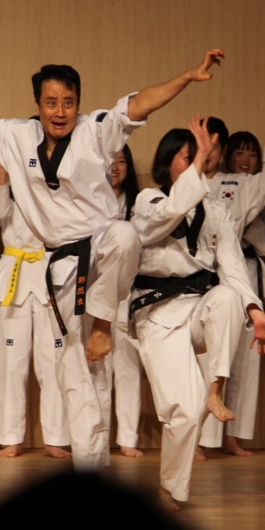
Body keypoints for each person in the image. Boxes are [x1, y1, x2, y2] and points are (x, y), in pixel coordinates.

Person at [0, 49, 224, 472]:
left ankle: (102, 324)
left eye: (68, 102)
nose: (60, 111)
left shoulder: (96, 129)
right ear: (37, 103)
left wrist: (187, 76)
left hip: (103, 250)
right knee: (77, 372)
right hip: (61, 267)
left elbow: (141, 104)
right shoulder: (16, 135)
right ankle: (90, 467)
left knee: (125, 234)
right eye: (51, 102)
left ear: (79, 103)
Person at [130, 119, 265, 509]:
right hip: (157, 314)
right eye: (188, 157)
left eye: (201, 156)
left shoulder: (217, 211)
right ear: (167, 163)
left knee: (228, 294)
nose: (199, 162)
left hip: (198, 307)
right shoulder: (148, 201)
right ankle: (170, 488)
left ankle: (216, 388)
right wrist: (199, 165)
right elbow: (173, 209)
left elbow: (233, 266)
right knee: (184, 410)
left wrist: (256, 312)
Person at [198, 116, 265, 458]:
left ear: (220, 149)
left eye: (215, 145)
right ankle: (200, 438)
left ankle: (234, 435)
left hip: (237, 269)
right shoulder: (185, 181)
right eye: (204, 144)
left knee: (245, 358)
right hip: (200, 275)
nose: (209, 151)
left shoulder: (239, 183)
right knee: (208, 355)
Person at [0, 162, 68, 458]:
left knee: (52, 363)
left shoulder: (58, 183)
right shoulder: (9, 184)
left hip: (48, 273)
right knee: (12, 364)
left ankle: (55, 438)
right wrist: (3, 170)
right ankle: (11, 437)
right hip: (14, 273)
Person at [108, 146, 145, 457]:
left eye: (121, 161)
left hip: (129, 293)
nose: (115, 167)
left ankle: (128, 439)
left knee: (128, 367)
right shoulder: (85, 201)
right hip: (94, 292)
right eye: (110, 161)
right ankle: (95, 437)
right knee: (95, 369)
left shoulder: (140, 205)